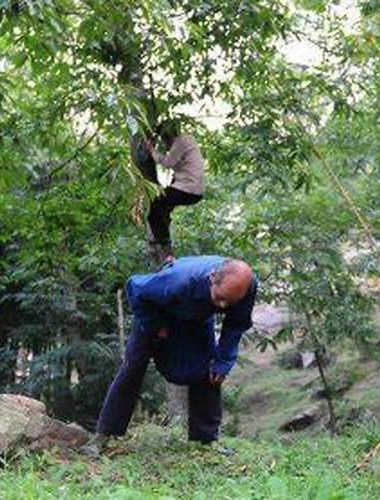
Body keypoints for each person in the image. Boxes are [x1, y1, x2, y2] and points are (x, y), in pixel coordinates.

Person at [86, 256, 257, 453]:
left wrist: (224, 360)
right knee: (133, 367)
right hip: (156, 312)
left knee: (211, 370)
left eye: (230, 302)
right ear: (212, 278)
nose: (223, 306)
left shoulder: (247, 287)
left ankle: (206, 441)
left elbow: (236, 324)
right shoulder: (177, 281)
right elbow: (134, 287)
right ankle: (103, 436)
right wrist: (155, 326)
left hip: (196, 318)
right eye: (220, 298)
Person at [138, 121, 206, 258]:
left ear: (167, 137)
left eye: (164, 140)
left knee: (155, 205)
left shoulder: (182, 141)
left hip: (188, 189)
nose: (166, 146)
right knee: (164, 206)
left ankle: (162, 242)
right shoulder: (188, 140)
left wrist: (151, 150)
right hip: (193, 189)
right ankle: (163, 233)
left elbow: (168, 162)